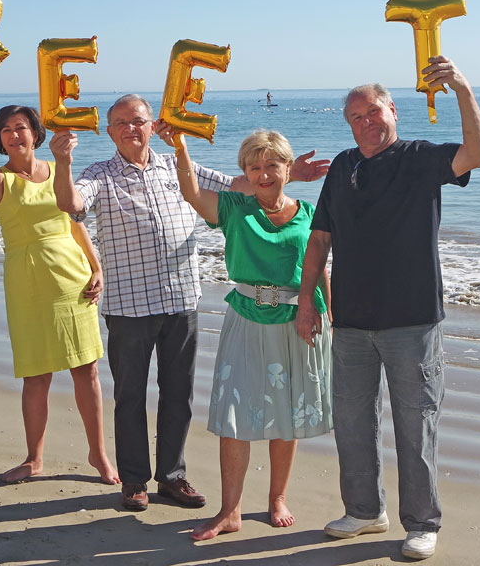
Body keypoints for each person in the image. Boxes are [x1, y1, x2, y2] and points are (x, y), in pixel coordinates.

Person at [51, 94, 329, 511]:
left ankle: (172, 477)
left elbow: (234, 185)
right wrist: (63, 162)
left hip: (180, 297)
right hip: (129, 305)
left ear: (151, 125)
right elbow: (71, 203)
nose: (130, 128)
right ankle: (134, 481)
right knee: (130, 395)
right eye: (121, 123)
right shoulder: (99, 174)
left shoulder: (173, 164)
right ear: (109, 132)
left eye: (138, 120)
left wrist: (289, 175)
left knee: (178, 393)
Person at [295, 56, 480, 560]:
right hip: (351, 321)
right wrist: (306, 301)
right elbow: (320, 239)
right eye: (356, 117)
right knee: (352, 421)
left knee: (415, 424)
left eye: (373, 112)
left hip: (412, 321)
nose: (366, 122)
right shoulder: (343, 166)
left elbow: (478, 154)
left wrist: (462, 89)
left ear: (393, 111)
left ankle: (422, 523)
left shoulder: (419, 158)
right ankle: (364, 511)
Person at [161, 127, 333, 541]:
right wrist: (181, 147)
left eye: (272, 165)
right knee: (234, 417)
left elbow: (318, 268)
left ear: (288, 169)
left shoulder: (309, 213)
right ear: (245, 173)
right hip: (246, 318)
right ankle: (230, 511)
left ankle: (277, 498)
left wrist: (334, 317)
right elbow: (191, 192)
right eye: (254, 168)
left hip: (298, 320)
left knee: (287, 415)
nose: (263, 174)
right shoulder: (234, 207)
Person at [0, 68, 119, 485]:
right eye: (6, 130)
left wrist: (97, 266)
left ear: (35, 133)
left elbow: (75, 222)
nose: (14, 135)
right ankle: (34, 458)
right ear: (0, 139)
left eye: (21, 127)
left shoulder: (57, 167)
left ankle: (99, 455)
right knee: (36, 374)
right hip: (27, 282)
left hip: (72, 278)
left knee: (87, 370)